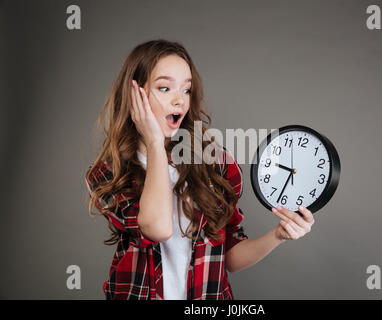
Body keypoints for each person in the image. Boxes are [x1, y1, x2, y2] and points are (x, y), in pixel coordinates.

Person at [85, 39, 315, 300]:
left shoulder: (216, 164)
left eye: (186, 90)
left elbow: (230, 255)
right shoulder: (107, 174)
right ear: (134, 95)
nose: (179, 101)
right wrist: (153, 142)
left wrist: (277, 235)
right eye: (164, 88)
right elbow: (157, 228)